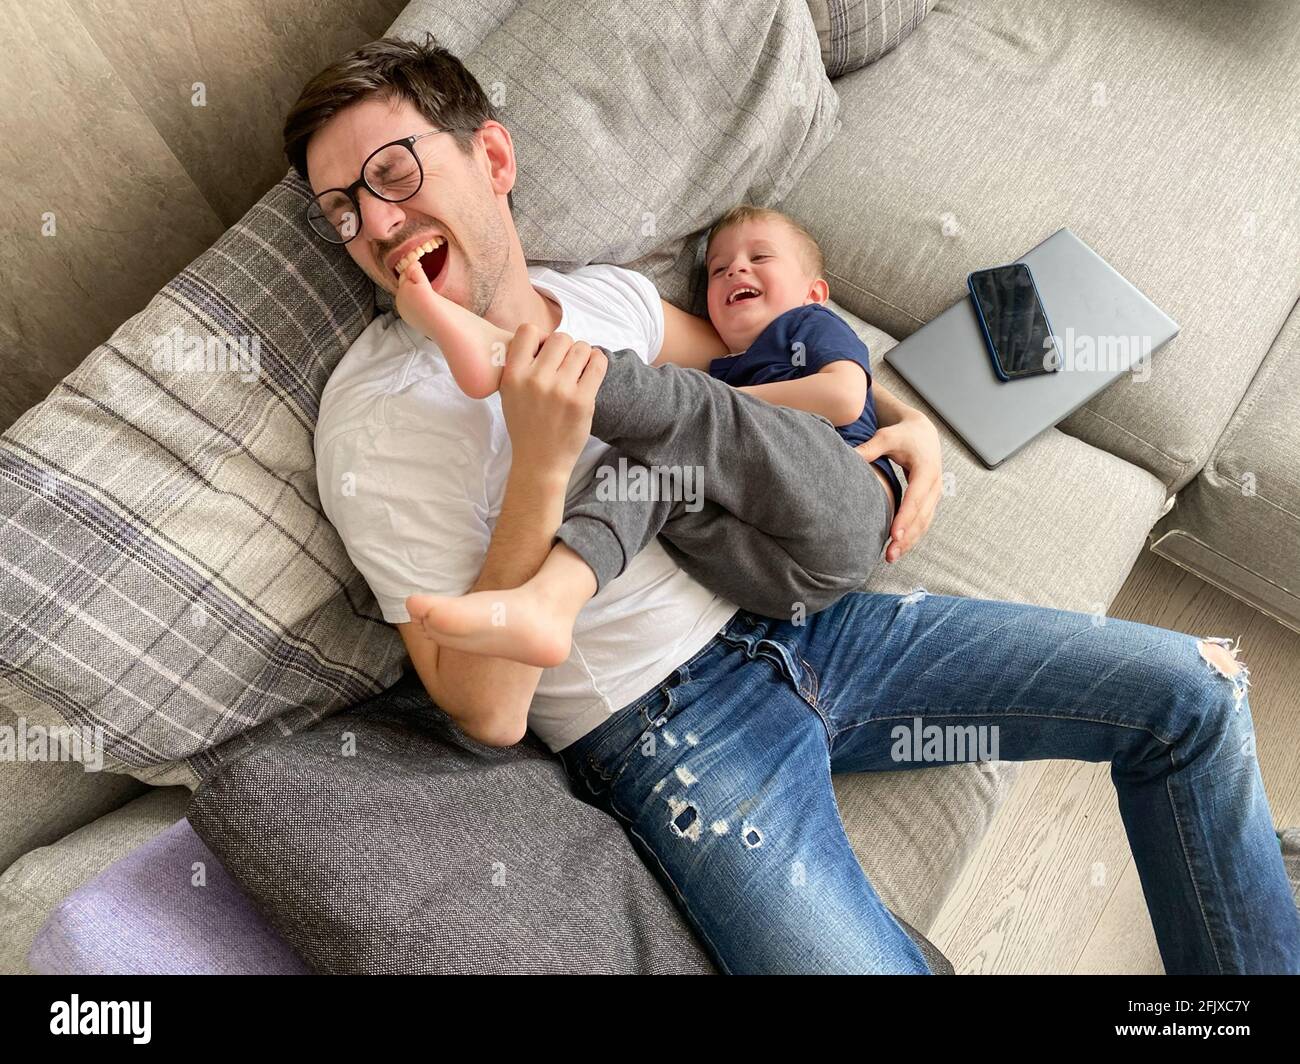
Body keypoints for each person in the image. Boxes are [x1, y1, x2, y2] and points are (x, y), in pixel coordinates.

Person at [290, 36, 1300, 973]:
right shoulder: (372, 422)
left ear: (493, 160)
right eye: (344, 210)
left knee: (1193, 693)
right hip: (668, 728)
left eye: (393, 173)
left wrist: (905, 424)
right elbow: (487, 707)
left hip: (816, 616)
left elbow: (761, 388)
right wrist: (540, 472)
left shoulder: (612, 299)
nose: (376, 225)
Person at [389, 202, 901, 667]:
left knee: (681, 408)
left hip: (850, 504)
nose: (735, 270)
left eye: (759, 257)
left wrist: (715, 407)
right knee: (650, 467)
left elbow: (843, 399)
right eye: (718, 270)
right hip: (780, 580)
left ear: (814, 292)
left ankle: (509, 357)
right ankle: (551, 601)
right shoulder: (726, 368)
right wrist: (703, 417)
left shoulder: (808, 326)